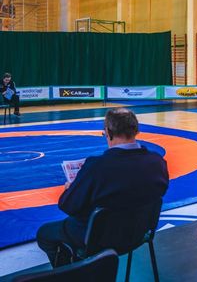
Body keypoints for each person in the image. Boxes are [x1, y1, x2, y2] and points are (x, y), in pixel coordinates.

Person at [36, 108, 169, 267]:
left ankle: (69, 273)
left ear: (108, 132)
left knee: (44, 234)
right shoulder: (157, 162)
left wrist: (69, 189)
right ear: (136, 130)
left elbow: (68, 206)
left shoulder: (97, 167)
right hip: (140, 233)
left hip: (100, 239)